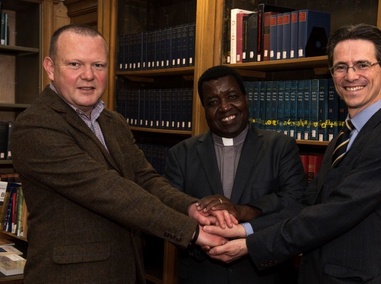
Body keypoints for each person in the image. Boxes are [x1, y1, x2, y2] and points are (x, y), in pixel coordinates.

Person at [10, 24, 231, 284]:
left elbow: (145, 178)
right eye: (75, 64)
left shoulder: (113, 121)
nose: (88, 75)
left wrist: (190, 208)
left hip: (126, 269)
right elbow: (108, 191)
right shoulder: (35, 126)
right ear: (50, 67)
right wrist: (192, 231)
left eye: (98, 65)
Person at [204, 23, 381, 283]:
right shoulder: (346, 135)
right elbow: (309, 206)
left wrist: (251, 245)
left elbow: (334, 213)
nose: (351, 76)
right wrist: (244, 229)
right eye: (341, 67)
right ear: (332, 75)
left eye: (363, 65)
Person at [163, 65, 307, 283]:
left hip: (265, 275)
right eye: (212, 102)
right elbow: (169, 215)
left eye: (232, 96)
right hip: (202, 273)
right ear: (204, 108)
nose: (224, 107)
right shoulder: (180, 154)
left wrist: (241, 211)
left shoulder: (280, 147)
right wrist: (204, 239)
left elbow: (294, 204)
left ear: (245, 99)